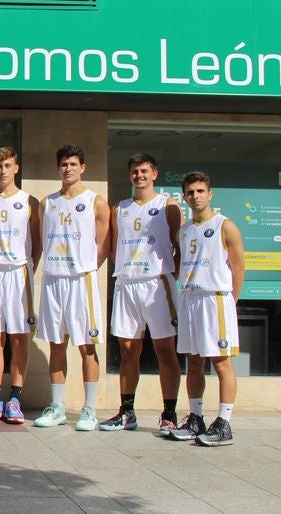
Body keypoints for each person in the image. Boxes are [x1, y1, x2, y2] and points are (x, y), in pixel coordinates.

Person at [100, 153, 183, 435]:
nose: (140, 176)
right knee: (127, 351)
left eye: (145, 171)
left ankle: (169, 414)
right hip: (127, 283)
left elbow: (178, 246)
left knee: (164, 349)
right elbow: (112, 246)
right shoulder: (119, 208)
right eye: (135, 171)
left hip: (157, 284)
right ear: (130, 175)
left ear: (155, 174)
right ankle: (127, 411)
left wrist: (172, 276)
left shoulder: (167, 206)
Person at [34, 144, 110, 431]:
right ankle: (57, 407)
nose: (68, 169)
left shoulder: (96, 201)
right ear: (58, 168)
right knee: (56, 345)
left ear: (83, 168)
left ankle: (89, 410)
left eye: (73, 164)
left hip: (81, 280)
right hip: (54, 278)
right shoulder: (47, 203)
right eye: (64, 164)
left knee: (86, 346)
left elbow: (103, 245)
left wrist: (86, 269)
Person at [168, 171, 245, 446]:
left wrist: (230, 302)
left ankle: (224, 423)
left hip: (215, 299)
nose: (195, 196)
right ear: (185, 196)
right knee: (194, 362)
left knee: (222, 361)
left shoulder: (226, 226)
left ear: (209, 194)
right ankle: (196, 418)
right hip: (190, 299)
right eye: (190, 192)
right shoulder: (185, 229)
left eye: (200, 191)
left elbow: (238, 268)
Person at [0, 147, 41, 424]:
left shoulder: (30, 201)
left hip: (18, 273)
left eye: (8, 165)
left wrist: (27, 269)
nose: (3, 170)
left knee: (18, 337)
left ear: (16, 168)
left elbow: (36, 243)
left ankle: (15, 398)